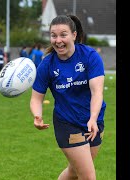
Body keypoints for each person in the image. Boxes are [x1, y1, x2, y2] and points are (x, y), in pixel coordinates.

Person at [30, 14, 106, 180]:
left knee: (73, 172)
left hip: (94, 121)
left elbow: (97, 92)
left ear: (74, 35)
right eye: (53, 35)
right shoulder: (47, 64)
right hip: (67, 123)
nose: (58, 40)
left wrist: (93, 118)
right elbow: (36, 98)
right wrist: (37, 115)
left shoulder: (90, 56)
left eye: (63, 35)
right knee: (88, 176)